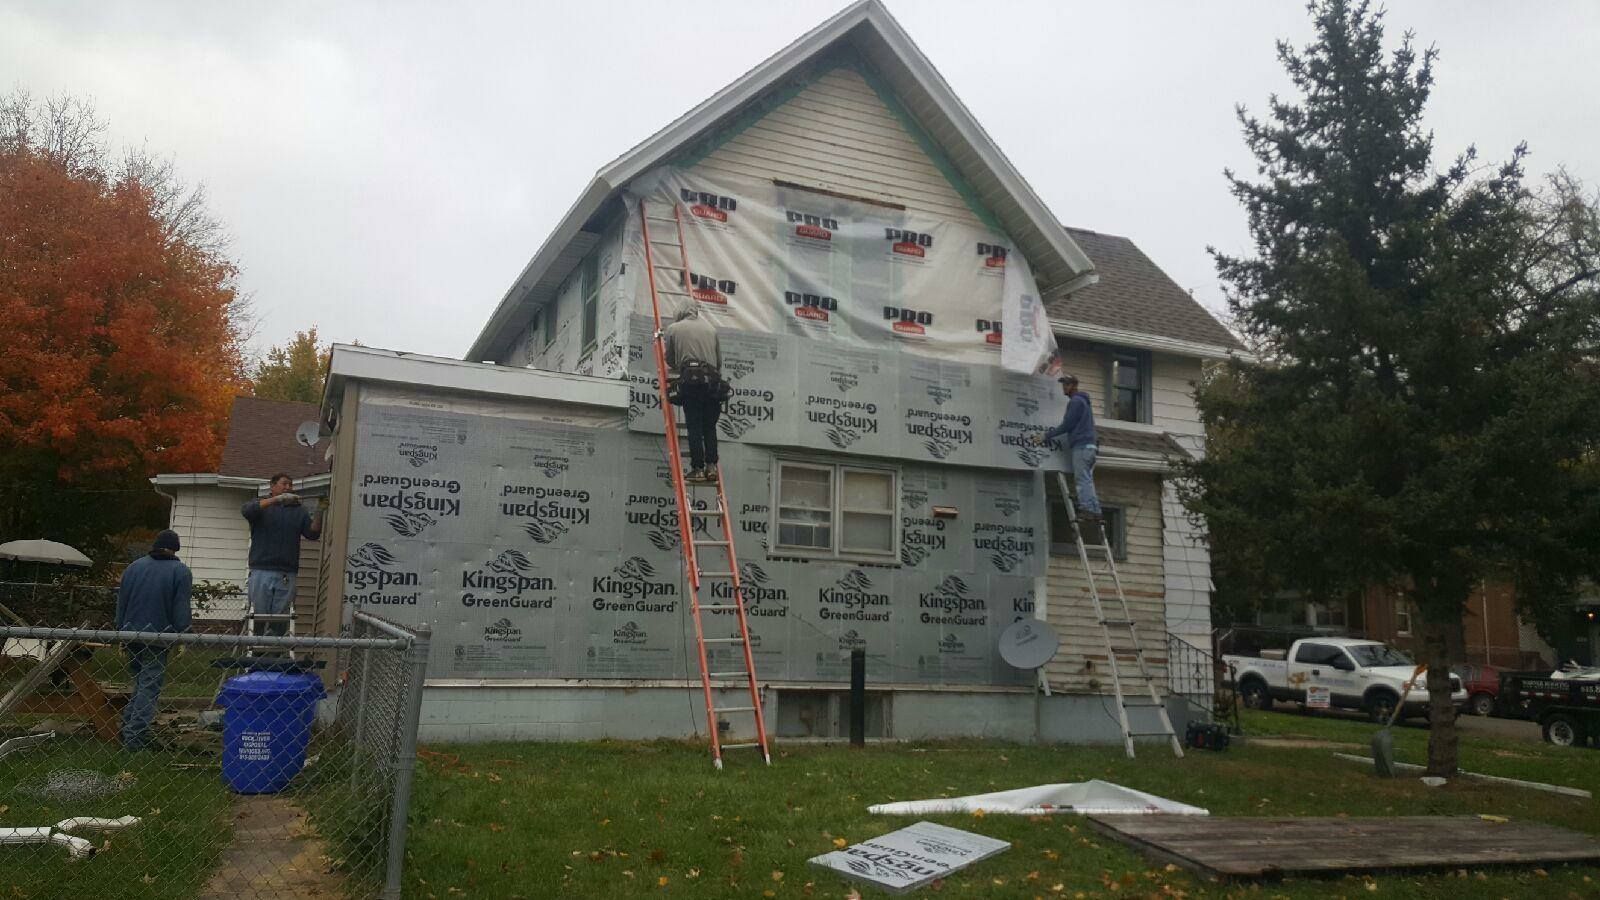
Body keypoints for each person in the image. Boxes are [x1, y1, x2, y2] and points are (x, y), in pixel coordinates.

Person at [115, 529, 192, 750]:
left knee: (140, 683)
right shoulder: (180, 572)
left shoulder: (134, 568)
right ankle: (135, 737)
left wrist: (119, 630)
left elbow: (122, 601)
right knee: (149, 687)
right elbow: (180, 608)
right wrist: (182, 635)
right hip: (158, 636)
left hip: (130, 633)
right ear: (175, 549)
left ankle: (128, 727)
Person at [242, 473, 322, 635]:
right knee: (259, 614)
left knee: (281, 617)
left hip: (287, 572)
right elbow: (247, 510)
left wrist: (320, 510)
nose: (288, 488)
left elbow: (313, 534)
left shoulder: (299, 511)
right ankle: (256, 651)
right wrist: (276, 500)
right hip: (261, 570)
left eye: (290, 485)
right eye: (284, 484)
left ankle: (275, 655)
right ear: (272, 486)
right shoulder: (261, 506)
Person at [663, 305, 724, 484]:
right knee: (709, 427)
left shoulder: (674, 329)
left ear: (680, 312)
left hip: (692, 384)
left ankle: (697, 469)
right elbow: (719, 362)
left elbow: (670, 359)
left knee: (694, 427)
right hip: (712, 383)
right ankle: (711, 467)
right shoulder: (711, 329)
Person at [1042, 374, 1102, 525]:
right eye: (1063, 384)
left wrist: (1047, 436)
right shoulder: (1084, 402)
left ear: (1074, 386)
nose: (1064, 387)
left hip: (1082, 446)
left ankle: (1087, 510)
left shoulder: (1076, 402)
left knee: (1082, 480)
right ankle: (1095, 511)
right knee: (1087, 479)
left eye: (1067, 384)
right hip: (1090, 446)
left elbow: (1068, 424)